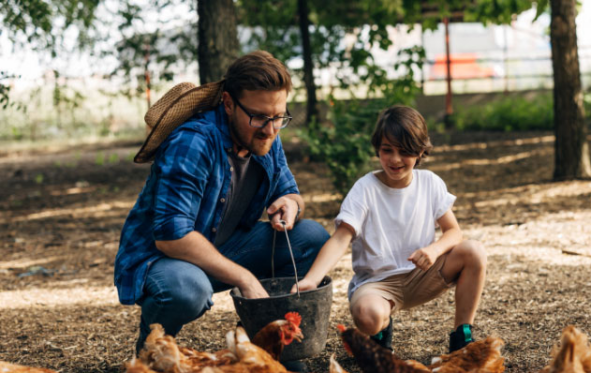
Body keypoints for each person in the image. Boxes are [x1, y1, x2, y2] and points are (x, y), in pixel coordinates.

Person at [114, 51, 330, 356]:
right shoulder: (192, 142)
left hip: (222, 247)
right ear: (228, 103)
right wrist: (245, 278)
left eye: (278, 117)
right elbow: (170, 236)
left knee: (313, 238)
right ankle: (151, 349)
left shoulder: (267, 132)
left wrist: (290, 204)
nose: (270, 129)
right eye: (259, 117)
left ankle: (269, 347)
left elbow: (290, 191)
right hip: (162, 260)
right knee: (188, 291)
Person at [293, 105, 486, 352]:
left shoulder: (430, 183)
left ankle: (462, 336)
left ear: (420, 151)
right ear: (378, 149)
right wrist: (311, 279)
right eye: (387, 150)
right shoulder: (365, 188)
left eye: (404, 151)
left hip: (421, 274)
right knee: (368, 316)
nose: (395, 159)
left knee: (474, 251)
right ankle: (381, 330)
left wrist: (434, 250)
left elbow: (454, 232)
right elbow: (341, 239)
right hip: (377, 283)